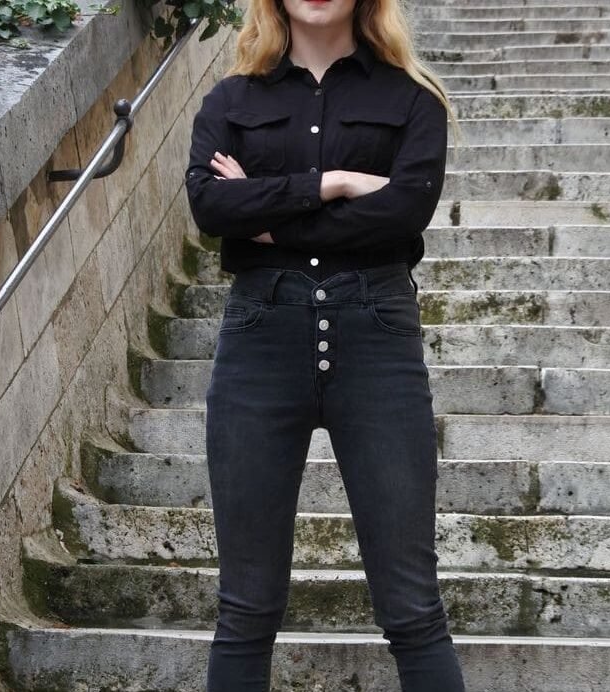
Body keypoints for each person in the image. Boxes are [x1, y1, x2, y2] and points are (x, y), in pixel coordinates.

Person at [184, 0, 466, 689]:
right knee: (244, 609)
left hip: (377, 338)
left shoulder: (413, 99)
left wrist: (273, 218)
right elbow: (211, 207)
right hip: (259, 341)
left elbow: (406, 212)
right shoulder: (230, 101)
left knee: (413, 607)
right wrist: (334, 184)